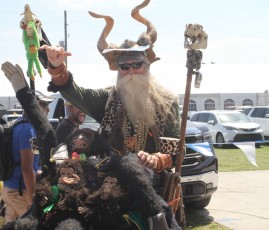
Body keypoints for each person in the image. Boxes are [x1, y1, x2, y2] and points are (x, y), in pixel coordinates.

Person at [41, 0, 180, 173]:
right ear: (118, 70)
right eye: (124, 66)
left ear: (147, 65)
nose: (131, 71)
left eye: (137, 64)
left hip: (155, 185)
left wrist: (156, 160)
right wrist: (57, 68)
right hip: (113, 183)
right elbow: (73, 93)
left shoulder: (166, 102)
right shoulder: (108, 100)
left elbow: (176, 152)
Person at [2, 90, 53, 224]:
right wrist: (32, 198)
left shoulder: (20, 124)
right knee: (32, 224)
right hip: (20, 192)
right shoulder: (28, 130)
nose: (48, 109)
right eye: (43, 105)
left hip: (11, 188)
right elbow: (27, 167)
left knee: (10, 225)